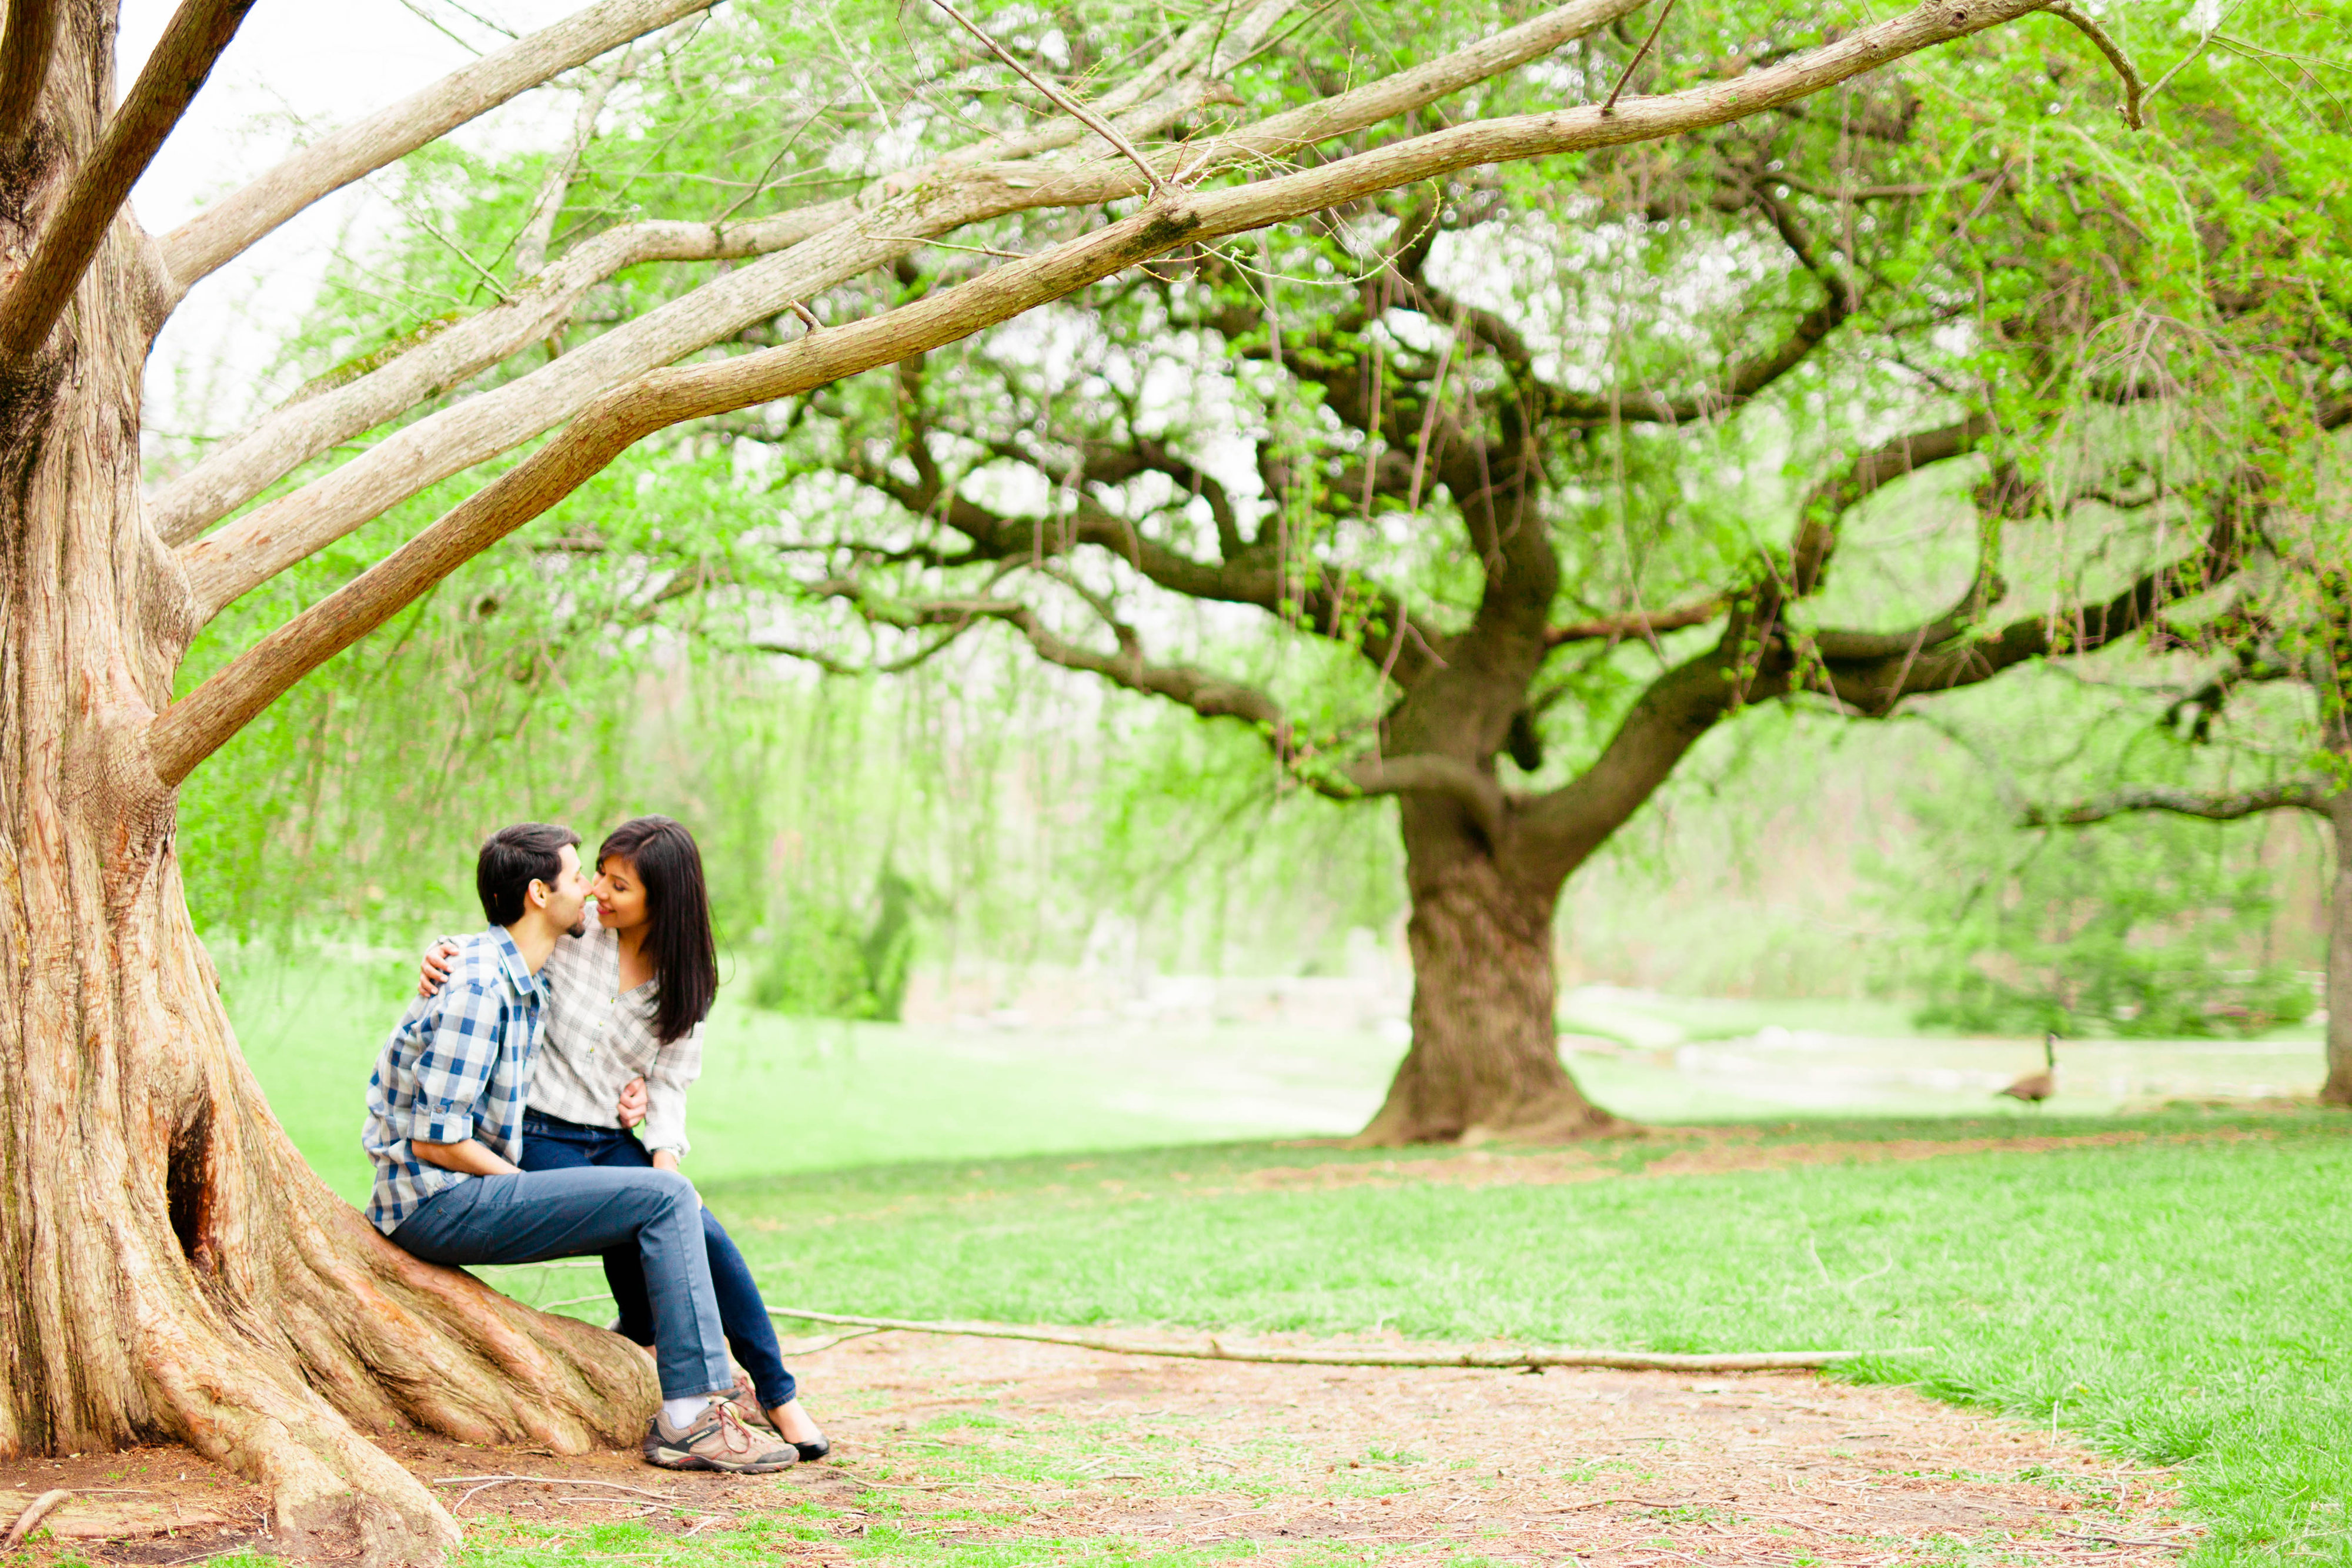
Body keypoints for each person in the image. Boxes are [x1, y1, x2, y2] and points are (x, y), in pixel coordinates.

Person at [367, 822, 798, 1474]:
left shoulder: (516, 975)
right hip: (441, 1198)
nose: (593, 890)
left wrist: (640, 1103)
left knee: (674, 1200)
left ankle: (712, 1383)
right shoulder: (483, 984)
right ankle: (690, 1415)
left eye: (610, 881)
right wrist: (514, 1179)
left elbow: (661, 1074)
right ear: (541, 894)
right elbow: (437, 1140)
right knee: (664, 1200)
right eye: (583, 876)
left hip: (479, 1182)